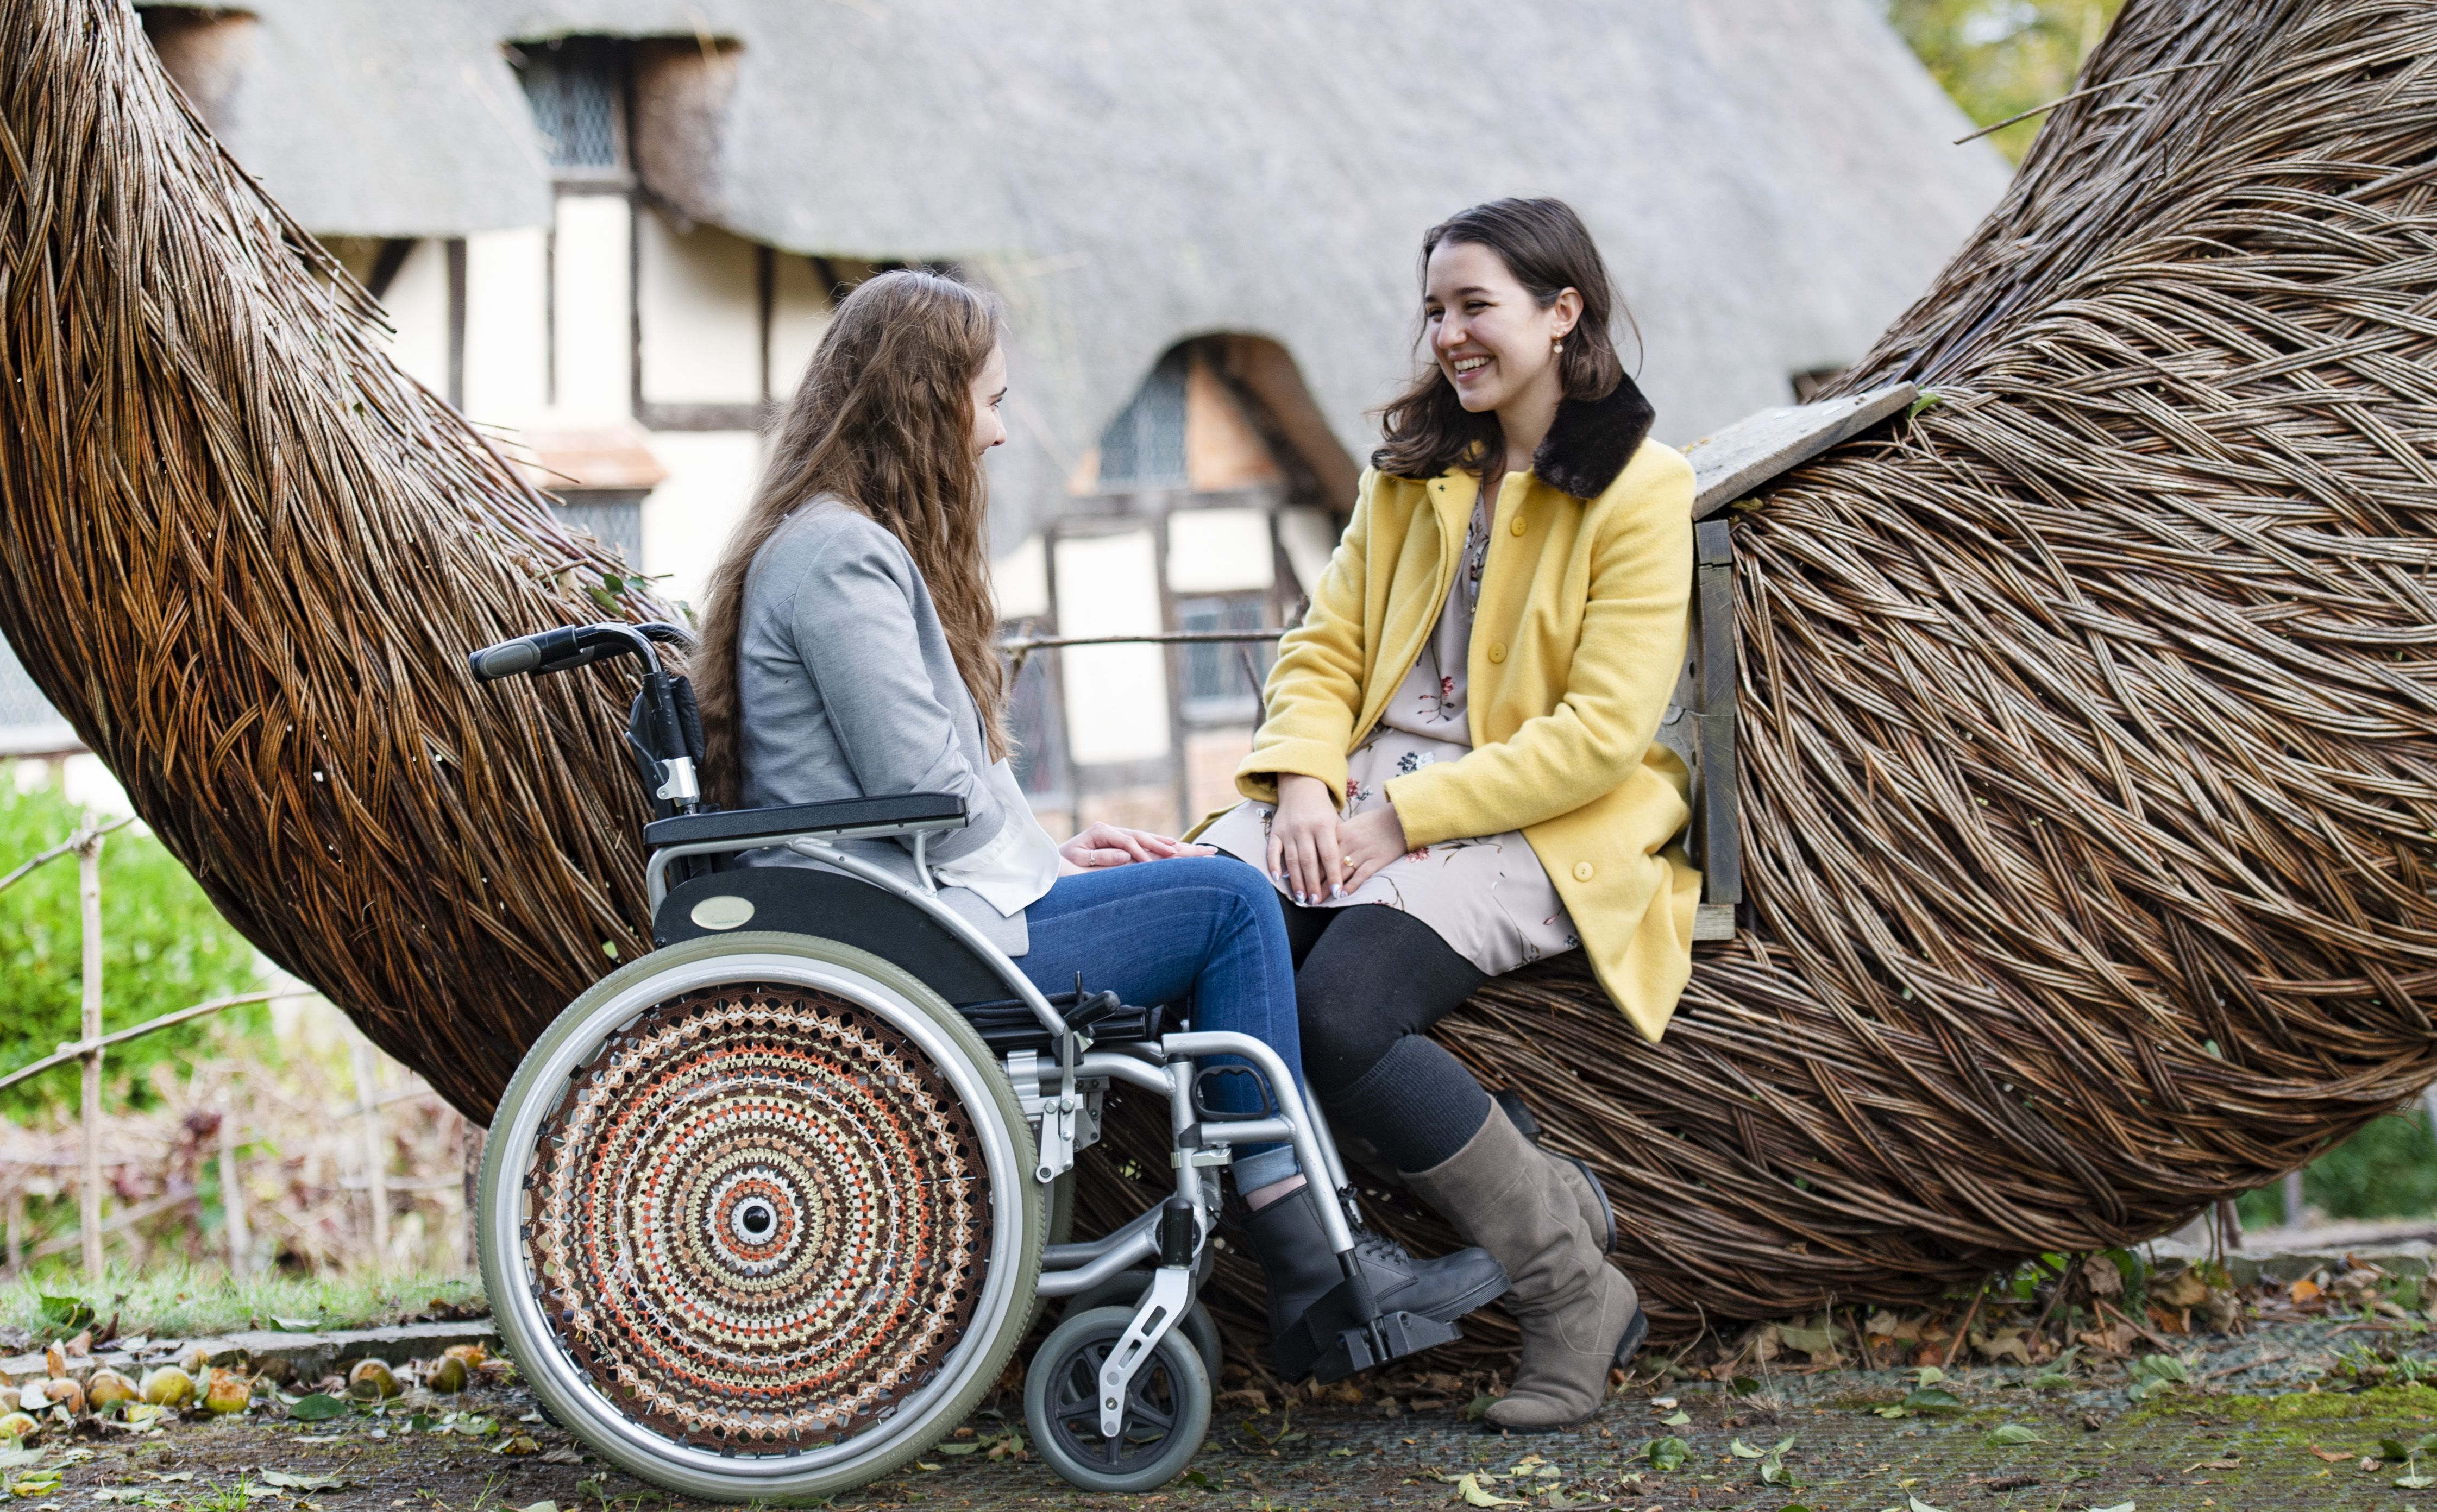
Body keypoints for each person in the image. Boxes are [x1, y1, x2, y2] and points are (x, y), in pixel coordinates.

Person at [693, 267, 1504, 1360]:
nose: (998, 431)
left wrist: (1058, 852)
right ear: (926, 401)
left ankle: (1318, 1261)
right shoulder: (840, 554)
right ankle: (1315, 1260)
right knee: (1227, 896)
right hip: (900, 935)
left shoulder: (824, 540)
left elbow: (909, 789)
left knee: (1212, 887)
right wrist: (1052, 873)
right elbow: (920, 776)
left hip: (909, 905)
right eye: (989, 399)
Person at [1197, 197, 1698, 1428]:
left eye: (1476, 304)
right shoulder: (1413, 472)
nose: (1450, 333)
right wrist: (1307, 783)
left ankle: (1572, 1287)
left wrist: (1399, 821)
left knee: (1339, 1012)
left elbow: (1598, 735)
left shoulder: (1641, 486)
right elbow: (1322, 649)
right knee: (1206, 931)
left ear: (1561, 310)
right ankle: (1335, 1272)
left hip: (1536, 819)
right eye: (1435, 309)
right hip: (1360, 790)